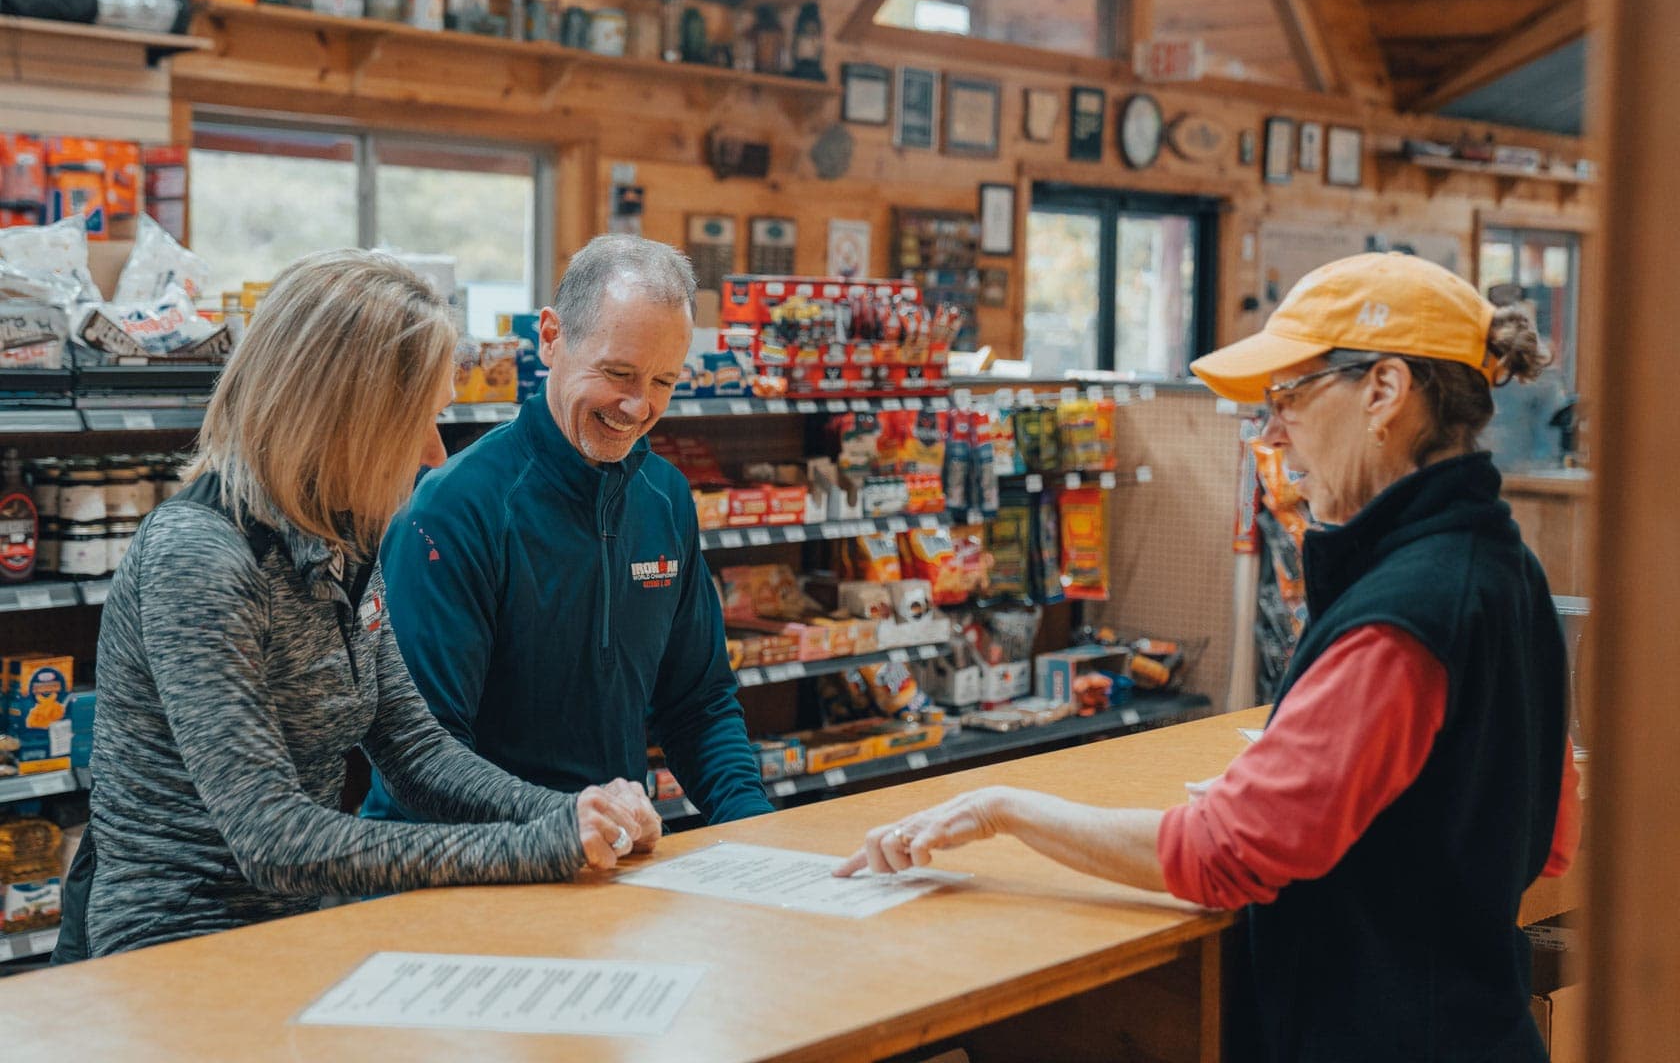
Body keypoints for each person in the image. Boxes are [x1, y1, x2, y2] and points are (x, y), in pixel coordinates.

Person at [840, 252, 1581, 1063]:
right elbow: (1550, 837)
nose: (1272, 431)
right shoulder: (1507, 568)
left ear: (1384, 392)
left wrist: (1001, 809)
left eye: (1288, 397)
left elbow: (1219, 855)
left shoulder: (1405, 611)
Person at [58, 250, 659, 963]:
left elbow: (414, 750)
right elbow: (275, 841)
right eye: (423, 418)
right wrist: (536, 845)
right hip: (171, 948)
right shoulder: (201, 558)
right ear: (345, 418)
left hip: (297, 933)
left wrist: (572, 812)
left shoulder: (339, 540)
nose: (437, 452)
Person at [363, 236, 771, 827]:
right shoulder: (453, 509)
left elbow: (699, 704)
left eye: (663, 381)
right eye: (618, 373)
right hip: (459, 872)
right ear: (551, 338)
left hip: (604, 856)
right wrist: (564, 824)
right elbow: (424, 760)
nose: (637, 406)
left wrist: (755, 826)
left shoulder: (666, 498)